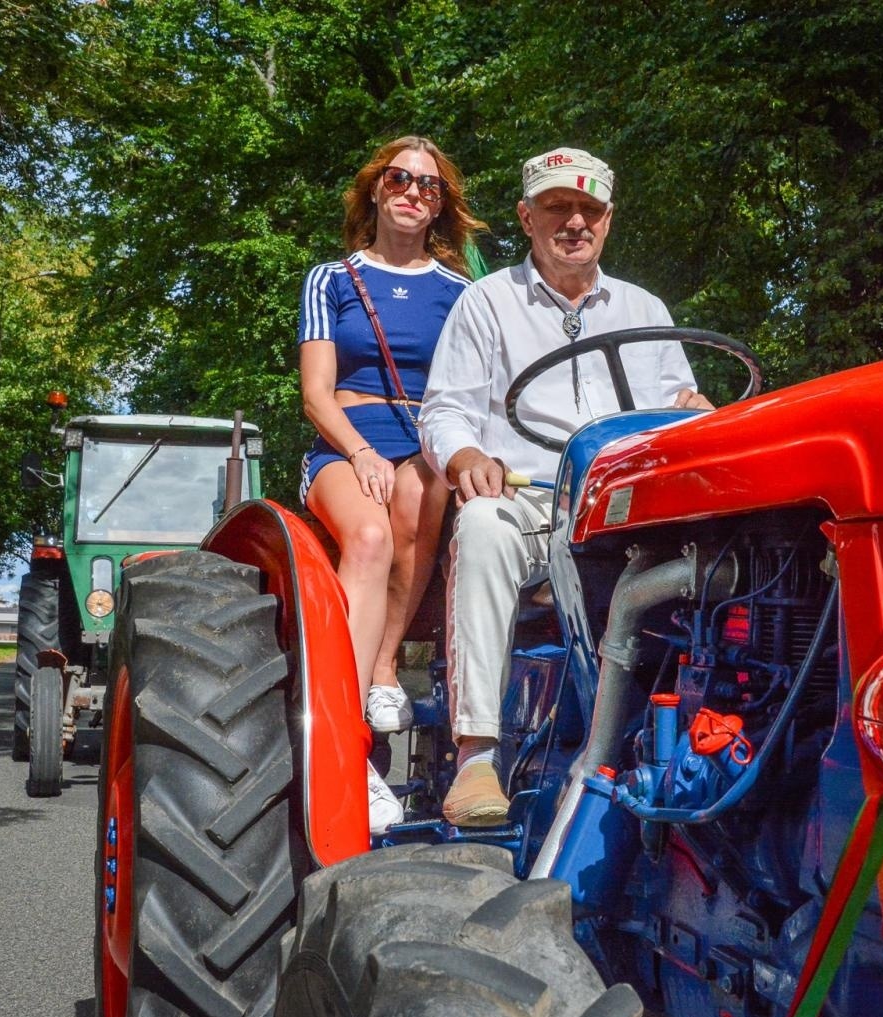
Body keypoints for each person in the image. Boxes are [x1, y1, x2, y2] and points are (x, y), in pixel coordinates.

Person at [420, 147, 712, 826]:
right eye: (557, 207)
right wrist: (465, 458)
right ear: (527, 217)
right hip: (530, 492)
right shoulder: (486, 303)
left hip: (632, 506)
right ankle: (476, 756)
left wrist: (695, 409)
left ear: (608, 220)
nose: (574, 221)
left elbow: (678, 401)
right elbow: (445, 410)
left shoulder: (644, 307)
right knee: (485, 524)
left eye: (589, 209)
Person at [297, 135, 484, 831]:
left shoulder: (462, 292)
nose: (414, 192)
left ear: (442, 205)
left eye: (429, 186)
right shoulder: (333, 279)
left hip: (426, 448)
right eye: (400, 179)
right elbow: (316, 393)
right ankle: (355, 737)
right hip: (345, 443)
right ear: (376, 189)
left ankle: (384, 672)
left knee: (422, 488)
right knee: (371, 533)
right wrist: (359, 450)